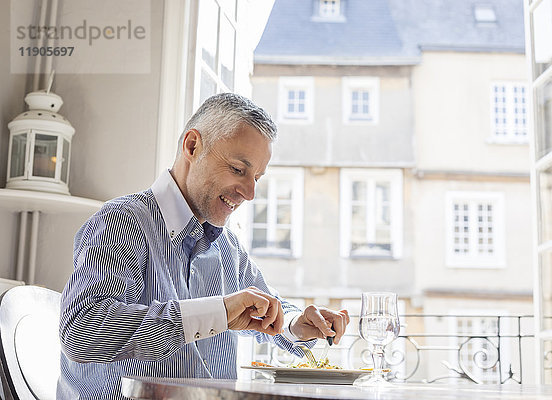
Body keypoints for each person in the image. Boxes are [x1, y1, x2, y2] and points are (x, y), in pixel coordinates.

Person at [57, 93, 350, 399]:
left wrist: (295, 323)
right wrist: (218, 312)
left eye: (257, 177)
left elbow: (268, 306)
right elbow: (80, 331)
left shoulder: (227, 247)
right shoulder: (122, 221)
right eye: (238, 170)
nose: (250, 193)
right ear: (192, 146)